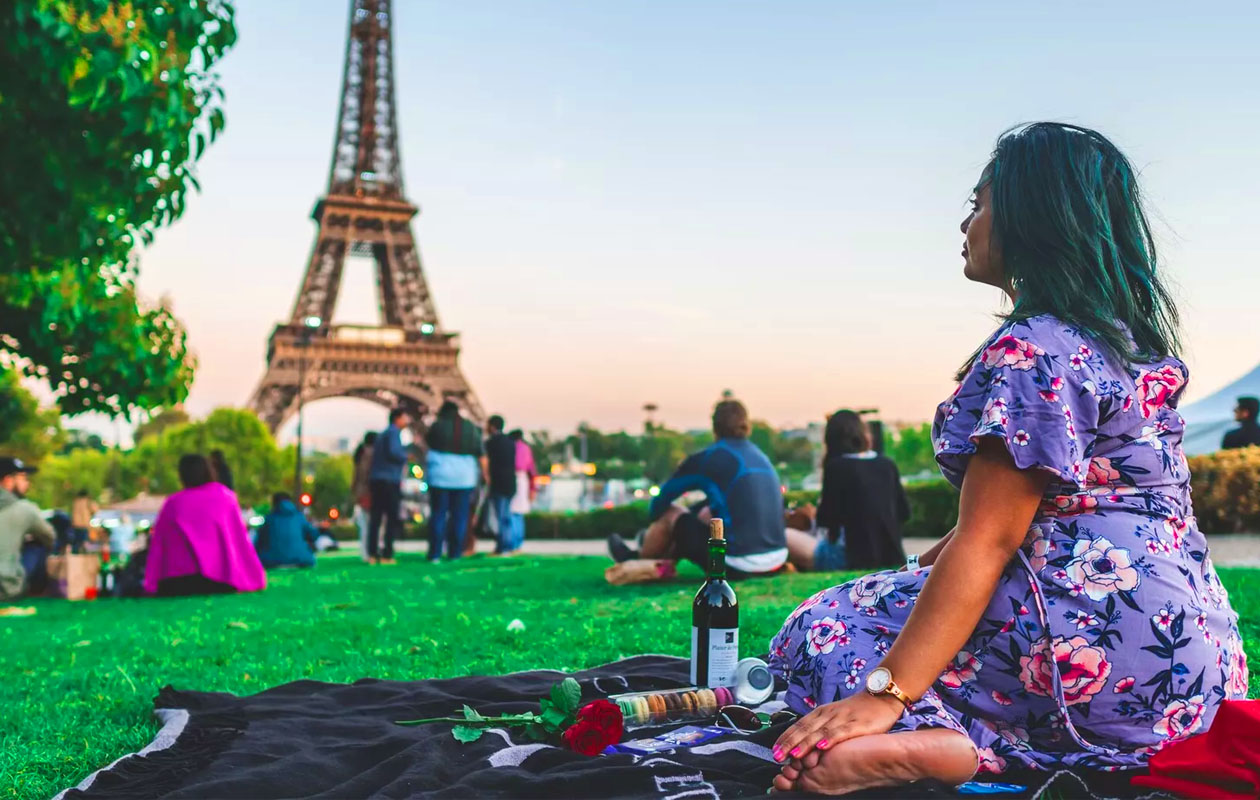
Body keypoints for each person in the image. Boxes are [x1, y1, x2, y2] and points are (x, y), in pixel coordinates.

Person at [768, 124, 1248, 795]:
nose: (965, 221)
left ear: (1030, 217)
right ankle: (1003, 741)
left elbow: (991, 538)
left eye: (979, 203)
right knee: (895, 595)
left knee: (817, 626)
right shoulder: (1126, 347)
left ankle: (939, 742)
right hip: (1191, 679)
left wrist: (886, 693)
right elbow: (1018, 519)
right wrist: (914, 576)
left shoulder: (1035, 348)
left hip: (1085, 645)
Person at [608, 399, 787, 577]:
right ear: (747, 425)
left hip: (737, 564)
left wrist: (672, 526)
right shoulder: (761, 456)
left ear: (714, 427)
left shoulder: (709, 458)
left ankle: (637, 561)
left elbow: (659, 503)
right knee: (703, 512)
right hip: (776, 559)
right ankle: (658, 562)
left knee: (672, 514)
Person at [786, 410, 909, 572]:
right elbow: (904, 513)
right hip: (892, 556)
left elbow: (827, 521)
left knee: (783, 534)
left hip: (849, 558)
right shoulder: (887, 464)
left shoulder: (836, 467)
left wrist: (812, 516)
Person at [143, 454, 266, 596]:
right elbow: (240, 541)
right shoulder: (225, 497)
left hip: (176, 583)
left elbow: (158, 546)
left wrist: (150, 584)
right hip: (220, 582)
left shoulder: (173, 503)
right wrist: (254, 576)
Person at [424, 401, 482, 561]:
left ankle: (435, 553)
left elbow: (428, 442)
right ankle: (455, 553)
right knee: (460, 517)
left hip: (440, 476)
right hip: (464, 478)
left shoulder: (437, 426)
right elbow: (480, 452)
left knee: (438, 515)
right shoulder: (470, 427)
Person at [0, 456, 55, 601]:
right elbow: (50, 538)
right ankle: (39, 592)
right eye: (23, 478)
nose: (27, 483)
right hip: (7, 589)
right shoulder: (24, 509)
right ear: (7, 481)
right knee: (39, 544)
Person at [367, 408, 412, 565]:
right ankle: (387, 553)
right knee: (391, 517)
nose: (407, 420)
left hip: (377, 479)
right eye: (405, 417)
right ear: (397, 419)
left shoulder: (383, 434)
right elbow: (394, 452)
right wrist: (405, 456)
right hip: (389, 480)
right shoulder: (394, 433)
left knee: (376, 518)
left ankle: (372, 554)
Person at [482, 415, 517, 555]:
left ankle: (502, 547)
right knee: (507, 516)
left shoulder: (490, 443)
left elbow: (486, 462)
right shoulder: (510, 442)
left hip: (498, 483)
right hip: (510, 482)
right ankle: (509, 544)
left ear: (492, 426)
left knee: (500, 516)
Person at [254, 493, 317, 569]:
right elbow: (314, 535)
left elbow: (258, 543)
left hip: (272, 561)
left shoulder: (269, 519)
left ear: (274, 503)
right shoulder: (299, 517)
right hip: (301, 560)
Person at [351, 431, 378, 560]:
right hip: (371, 492)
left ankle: (365, 552)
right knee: (372, 524)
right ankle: (371, 551)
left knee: (365, 524)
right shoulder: (371, 454)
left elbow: (357, 476)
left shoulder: (360, 454)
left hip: (362, 492)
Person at [509, 429, 536, 552]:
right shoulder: (526, 448)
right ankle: (518, 543)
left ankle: (512, 543)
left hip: (512, 478)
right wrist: (532, 489)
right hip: (523, 480)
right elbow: (532, 470)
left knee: (511, 512)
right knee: (519, 514)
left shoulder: (511, 447)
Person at [68, 489, 97, 554]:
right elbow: (95, 510)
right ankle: (84, 558)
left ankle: (75, 557)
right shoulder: (88, 501)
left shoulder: (75, 501)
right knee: (84, 543)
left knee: (76, 543)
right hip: (84, 525)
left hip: (75, 525)